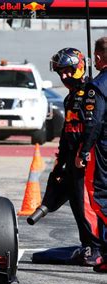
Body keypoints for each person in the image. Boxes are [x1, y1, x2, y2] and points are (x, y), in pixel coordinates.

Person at [49, 47, 103, 266]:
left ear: (79, 66)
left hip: (87, 160)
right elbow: (66, 133)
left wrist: (83, 153)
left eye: (68, 71)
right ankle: (87, 244)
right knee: (76, 205)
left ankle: (96, 248)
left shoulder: (92, 92)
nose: (64, 76)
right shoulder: (70, 97)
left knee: (85, 205)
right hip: (71, 160)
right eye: (60, 72)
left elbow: (94, 127)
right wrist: (60, 162)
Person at [75, 37, 107, 268]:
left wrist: (84, 150)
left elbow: (93, 122)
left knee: (99, 197)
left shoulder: (97, 86)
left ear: (97, 58)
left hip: (103, 149)